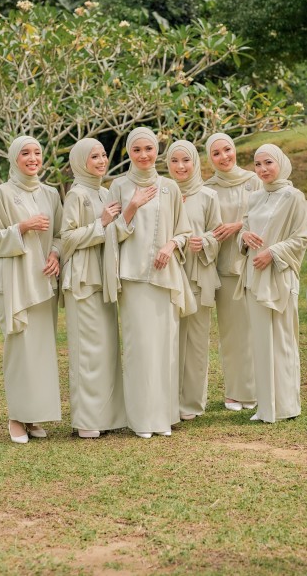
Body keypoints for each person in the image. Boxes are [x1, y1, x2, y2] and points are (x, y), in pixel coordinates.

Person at [105, 127, 195, 439]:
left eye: (149, 149)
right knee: (139, 348)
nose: (144, 155)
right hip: (133, 278)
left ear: (157, 151)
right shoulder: (118, 186)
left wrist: (170, 247)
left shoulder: (170, 187)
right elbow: (111, 231)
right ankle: (142, 419)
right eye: (137, 150)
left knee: (165, 347)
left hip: (164, 277)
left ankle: (164, 417)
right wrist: (132, 206)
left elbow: (184, 231)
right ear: (129, 153)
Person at [0, 135, 62, 444]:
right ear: (15, 158)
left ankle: (34, 415)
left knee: (41, 351)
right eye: (25, 153)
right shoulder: (2, 194)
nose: (32, 158)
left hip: (41, 280)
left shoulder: (51, 193)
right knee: (19, 348)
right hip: (15, 281)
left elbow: (58, 235)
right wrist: (23, 227)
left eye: (37, 152)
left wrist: (55, 255)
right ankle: (16, 416)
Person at [236, 144, 307, 422]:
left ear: (281, 162)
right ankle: (266, 406)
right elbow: (244, 228)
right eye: (257, 164)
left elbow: (302, 237)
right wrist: (244, 238)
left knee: (282, 339)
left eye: (268, 162)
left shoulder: (294, 197)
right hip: (254, 277)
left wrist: (272, 252)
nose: (263, 169)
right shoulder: (254, 197)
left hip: (279, 275)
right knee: (261, 340)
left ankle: (286, 405)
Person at [61, 138, 127, 438]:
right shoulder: (76, 194)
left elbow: (115, 230)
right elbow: (67, 239)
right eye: (93, 157)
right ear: (79, 162)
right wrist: (101, 223)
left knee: (107, 349)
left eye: (103, 155)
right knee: (86, 350)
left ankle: (109, 417)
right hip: (83, 279)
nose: (101, 161)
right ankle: (87, 421)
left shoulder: (105, 192)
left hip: (105, 278)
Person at [205, 132, 261, 411]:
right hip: (224, 266)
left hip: (252, 263)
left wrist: (237, 226)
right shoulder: (208, 187)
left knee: (254, 329)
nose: (224, 156)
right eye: (216, 153)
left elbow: (266, 214)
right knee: (231, 331)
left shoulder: (254, 180)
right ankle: (235, 391)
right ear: (209, 158)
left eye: (227, 149)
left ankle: (256, 389)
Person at [166, 139, 222, 420]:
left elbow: (218, 233)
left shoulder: (208, 196)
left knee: (197, 341)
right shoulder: (163, 192)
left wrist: (207, 242)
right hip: (170, 274)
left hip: (199, 274)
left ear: (195, 162)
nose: (180, 166)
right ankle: (167, 400)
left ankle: (191, 403)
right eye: (174, 161)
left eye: (185, 160)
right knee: (169, 338)